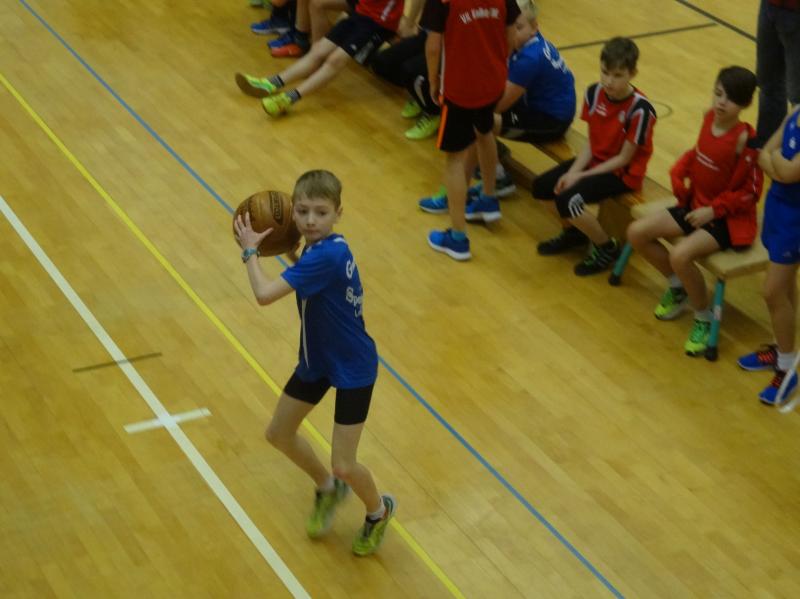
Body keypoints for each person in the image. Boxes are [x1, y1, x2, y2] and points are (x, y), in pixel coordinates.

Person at [233, 170, 396, 555]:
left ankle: (378, 511)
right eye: (302, 211)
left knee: (345, 463)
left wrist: (251, 251)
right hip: (317, 358)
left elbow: (264, 295)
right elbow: (308, 271)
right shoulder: (324, 246)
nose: (310, 220)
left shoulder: (327, 255)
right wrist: (286, 247)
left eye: (321, 213)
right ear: (292, 211)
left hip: (354, 368)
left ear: (338, 213)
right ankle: (328, 488)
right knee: (278, 434)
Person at [626, 67, 762, 356]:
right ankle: (678, 287)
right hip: (695, 205)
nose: (722, 102)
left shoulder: (745, 140)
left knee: (680, 255)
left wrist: (713, 210)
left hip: (725, 218)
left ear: (746, 104)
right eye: (719, 93)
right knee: (636, 232)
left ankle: (703, 316)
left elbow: (750, 193)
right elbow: (698, 152)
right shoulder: (708, 117)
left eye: (731, 99)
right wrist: (680, 171)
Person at [417, 0, 575, 212]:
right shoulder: (529, 44)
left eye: (520, 27)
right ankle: (479, 182)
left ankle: (490, 182)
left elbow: (497, 106)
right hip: (538, 106)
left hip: (551, 120)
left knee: (481, 124)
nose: (513, 32)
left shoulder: (529, 59)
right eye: (511, 26)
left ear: (534, 27)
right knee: (480, 121)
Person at [531, 37, 656, 276]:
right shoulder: (593, 92)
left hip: (621, 173)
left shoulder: (641, 110)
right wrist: (573, 172)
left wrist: (579, 176)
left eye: (617, 75)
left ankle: (606, 247)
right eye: (605, 72)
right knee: (542, 187)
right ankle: (574, 233)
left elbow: (624, 159)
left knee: (568, 201)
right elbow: (592, 143)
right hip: (595, 161)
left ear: (632, 74)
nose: (609, 81)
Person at [420, 0, 521, 261]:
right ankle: (488, 197)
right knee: (484, 131)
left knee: (454, 160)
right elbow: (511, 35)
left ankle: (457, 238)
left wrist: (432, 79)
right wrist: (495, 65)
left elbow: (433, 46)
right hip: (493, 82)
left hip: (460, 89)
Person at [235, 0, 404, 116]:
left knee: (335, 60)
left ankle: (289, 98)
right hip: (360, 14)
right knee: (318, 50)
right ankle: (272, 82)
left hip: (378, 24)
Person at [737, 106, 800, 405]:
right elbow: (764, 153)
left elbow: (786, 171)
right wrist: (778, 164)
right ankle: (781, 348)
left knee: (772, 291)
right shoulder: (796, 111)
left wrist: (776, 163)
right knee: (785, 286)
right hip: (777, 206)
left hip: (796, 220)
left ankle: (787, 369)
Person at [754, 0, 800, 147]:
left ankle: (794, 152)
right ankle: (766, 144)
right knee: (767, 82)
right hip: (769, 6)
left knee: (798, 97)